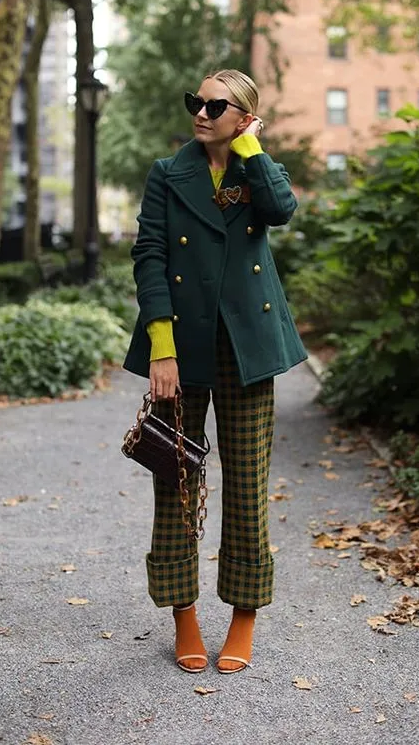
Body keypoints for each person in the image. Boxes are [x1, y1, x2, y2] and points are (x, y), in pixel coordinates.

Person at [123, 69, 307, 674]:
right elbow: (149, 253)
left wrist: (251, 147)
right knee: (175, 480)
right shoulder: (167, 173)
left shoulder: (259, 171)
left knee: (249, 486)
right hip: (184, 345)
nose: (200, 113)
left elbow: (282, 210)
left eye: (215, 105)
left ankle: (245, 616)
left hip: (248, 346)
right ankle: (184, 614)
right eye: (194, 102)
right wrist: (160, 346)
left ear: (243, 115)